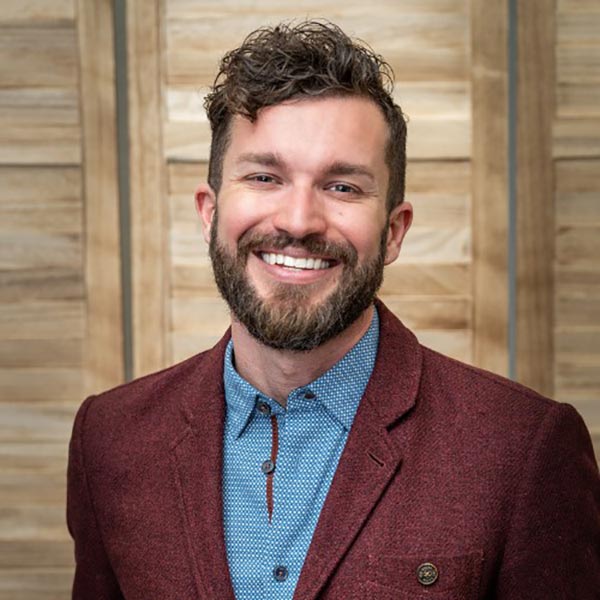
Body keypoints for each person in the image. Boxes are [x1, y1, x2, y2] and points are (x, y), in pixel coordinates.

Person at [67, 20, 600, 600]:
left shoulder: (523, 450)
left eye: (342, 187)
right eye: (265, 176)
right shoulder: (111, 439)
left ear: (394, 232)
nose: (298, 221)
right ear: (209, 213)